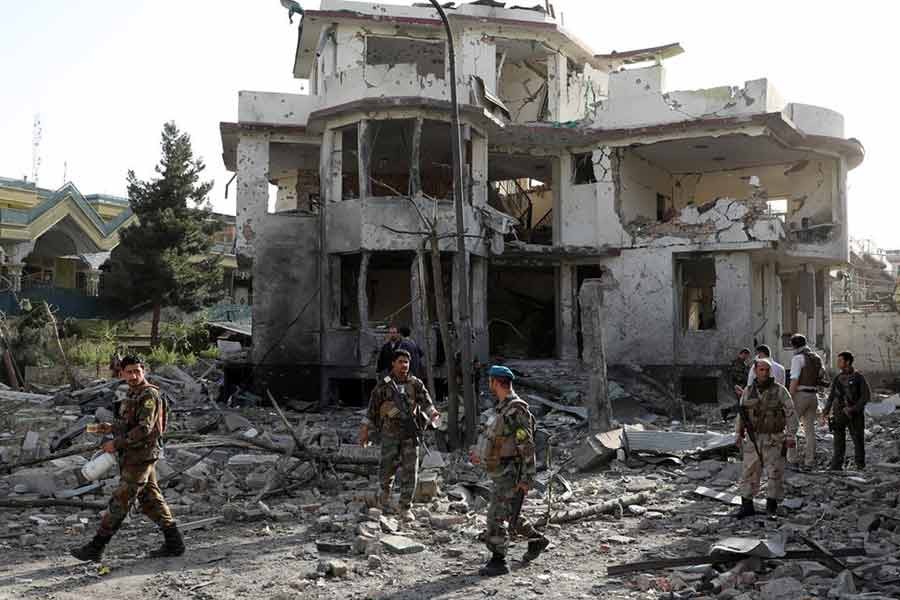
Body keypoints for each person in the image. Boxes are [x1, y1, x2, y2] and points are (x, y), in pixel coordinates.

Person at [71, 355, 184, 562]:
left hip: (141, 456)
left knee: (120, 501)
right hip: (134, 456)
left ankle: (96, 547)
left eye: (137, 371)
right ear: (121, 373)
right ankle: (174, 543)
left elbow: (144, 428)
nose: (133, 375)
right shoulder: (132, 394)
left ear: (143, 371)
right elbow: (128, 424)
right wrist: (109, 428)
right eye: (129, 372)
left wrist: (116, 443)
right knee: (151, 500)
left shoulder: (149, 395)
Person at [470, 365, 549, 576]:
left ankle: (498, 561)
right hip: (500, 471)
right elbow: (497, 438)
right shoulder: (502, 408)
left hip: (511, 472)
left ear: (495, 382)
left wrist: (527, 477)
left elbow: (527, 445)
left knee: (496, 515)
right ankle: (537, 541)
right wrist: (480, 454)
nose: (490, 385)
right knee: (509, 512)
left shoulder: (516, 409)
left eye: (490, 381)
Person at [359, 349, 440, 521]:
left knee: (411, 471)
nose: (404, 365)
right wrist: (365, 431)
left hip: (410, 435)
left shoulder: (415, 383)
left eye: (406, 362)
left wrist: (433, 415)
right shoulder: (384, 384)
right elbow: (372, 409)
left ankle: (405, 507)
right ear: (393, 363)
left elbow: (427, 403)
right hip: (390, 435)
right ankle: (383, 503)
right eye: (401, 362)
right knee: (386, 470)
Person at [734, 358, 798, 518]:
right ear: (756, 371)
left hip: (774, 438)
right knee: (749, 471)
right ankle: (747, 506)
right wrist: (737, 433)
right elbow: (741, 415)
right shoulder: (748, 391)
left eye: (767, 370)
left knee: (774, 472)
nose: (764, 373)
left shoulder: (780, 391)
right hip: (753, 437)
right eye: (761, 370)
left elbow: (791, 413)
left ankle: (772, 506)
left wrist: (791, 435)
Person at [822, 351, 871, 471]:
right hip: (839, 414)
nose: (838, 363)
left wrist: (853, 409)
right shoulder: (838, 378)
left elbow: (865, 397)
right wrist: (826, 411)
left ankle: (860, 466)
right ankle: (836, 466)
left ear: (847, 362)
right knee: (838, 441)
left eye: (840, 360)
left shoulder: (858, 377)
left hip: (855, 415)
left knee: (858, 440)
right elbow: (831, 396)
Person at [787, 334, 828, 468]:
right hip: (813, 396)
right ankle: (809, 460)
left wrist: (788, 398)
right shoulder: (816, 357)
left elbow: (794, 380)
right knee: (810, 431)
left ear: (794, 345)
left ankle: (792, 459)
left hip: (801, 395)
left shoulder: (798, 358)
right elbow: (822, 376)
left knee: (791, 429)